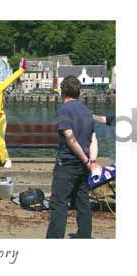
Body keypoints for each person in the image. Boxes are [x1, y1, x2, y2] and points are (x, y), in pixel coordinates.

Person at [46, 75, 101, 239]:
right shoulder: (87, 111)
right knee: (82, 200)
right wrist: (92, 160)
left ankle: (54, 238)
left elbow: (69, 138)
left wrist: (86, 160)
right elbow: (94, 139)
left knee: (59, 202)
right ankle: (85, 235)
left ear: (63, 91)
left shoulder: (64, 110)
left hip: (68, 162)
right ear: (79, 92)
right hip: (83, 164)